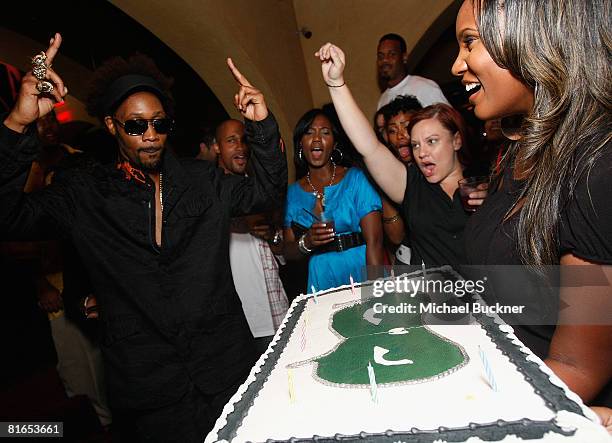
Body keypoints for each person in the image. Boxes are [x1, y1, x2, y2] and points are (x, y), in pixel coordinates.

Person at [0, 34, 287, 442]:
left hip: (227, 373)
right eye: (135, 125)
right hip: (150, 393)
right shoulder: (84, 193)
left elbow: (268, 191)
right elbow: (8, 216)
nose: (150, 134)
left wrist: (261, 125)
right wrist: (18, 123)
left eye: (160, 123)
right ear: (112, 125)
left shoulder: (203, 181)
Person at [451, 0, 611, 407]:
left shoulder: (596, 168)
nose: (457, 65)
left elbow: (576, 369)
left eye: (469, 42)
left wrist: (458, 407)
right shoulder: (519, 149)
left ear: (534, 37)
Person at [315, 44, 486, 267]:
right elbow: (370, 147)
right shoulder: (412, 184)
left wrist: (493, 204)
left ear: (456, 140)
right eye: (415, 145)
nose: (422, 153)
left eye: (431, 141)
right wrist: (336, 83)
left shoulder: (485, 182)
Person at [283, 109, 384, 291]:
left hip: (361, 267)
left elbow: (375, 242)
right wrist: (306, 242)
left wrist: (375, 294)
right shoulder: (293, 193)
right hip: (321, 275)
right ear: (300, 143)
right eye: (309, 132)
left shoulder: (356, 179)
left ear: (334, 143)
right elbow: (288, 251)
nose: (316, 139)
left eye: (325, 132)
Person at [214, 118, 288, 355]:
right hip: (237, 322)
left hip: (272, 311)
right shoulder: (209, 195)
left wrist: (272, 235)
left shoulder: (259, 191)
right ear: (216, 147)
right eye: (231, 141)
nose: (240, 147)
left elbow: (281, 251)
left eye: (244, 140)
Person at [376, 33, 449, 110]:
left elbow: (449, 119)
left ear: (404, 57)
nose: (385, 60)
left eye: (392, 54)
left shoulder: (424, 87)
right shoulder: (382, 101)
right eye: (381, 56)